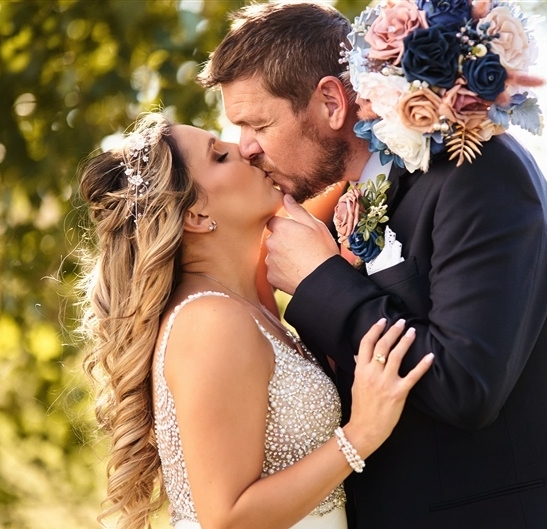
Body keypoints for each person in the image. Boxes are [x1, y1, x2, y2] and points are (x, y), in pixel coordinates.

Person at [198, 2, 547, 528]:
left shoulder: (478, 174)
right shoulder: (362, 191)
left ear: (329, 101)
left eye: (258, 123)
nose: (246, 148)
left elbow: (466, 386)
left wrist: (320, 281)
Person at [77, 112, 433, 529]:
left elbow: (328, 177)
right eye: (220, 156)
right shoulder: (211, 322)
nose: (244, 149)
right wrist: (361, 435)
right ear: (195, 216)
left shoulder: (250, 302)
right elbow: (227, 519)